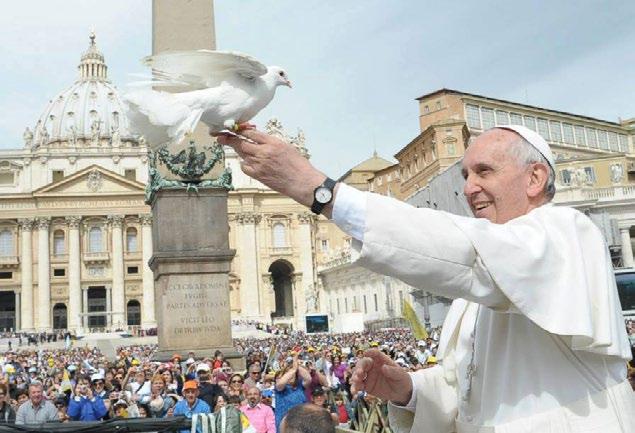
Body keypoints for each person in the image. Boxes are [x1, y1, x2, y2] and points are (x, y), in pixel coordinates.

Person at [218, 125, 635, 432]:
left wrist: (319, 190)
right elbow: (463, 390)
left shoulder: (566, 232)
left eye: (484, 172)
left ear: (535, 178)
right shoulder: (473, 298)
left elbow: (467, 251)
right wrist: (409, 390)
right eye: (465, 176)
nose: (470, 189)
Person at [273, 356, 311, 432]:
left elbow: (308, 378)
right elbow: (281, 383)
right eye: (287, 373)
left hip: (300, 423)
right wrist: (293, 369)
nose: (291, 376)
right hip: (285, 425)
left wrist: (296, 364)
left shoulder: (300, 386)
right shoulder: (280, 388)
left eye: (293, 374)